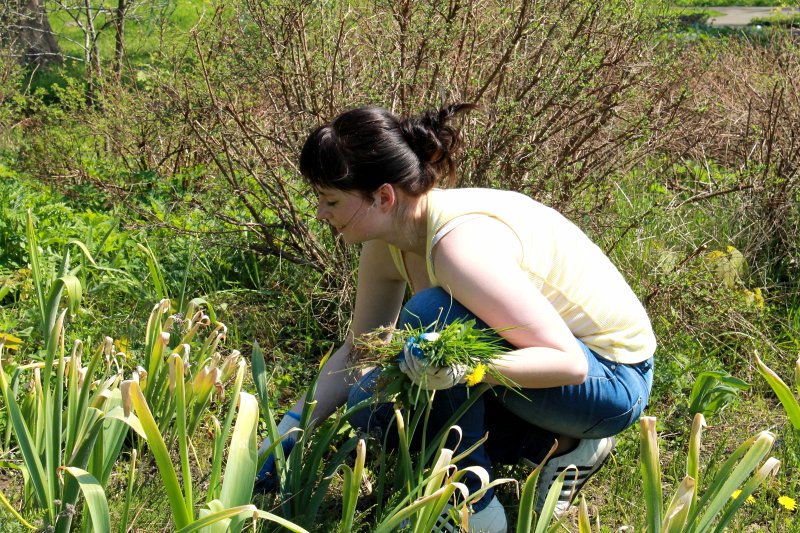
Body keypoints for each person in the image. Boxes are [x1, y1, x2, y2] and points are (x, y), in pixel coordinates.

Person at [254, 104, 656, 532]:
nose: (320, 213)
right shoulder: (387, 240)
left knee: (430, 317)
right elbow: (359, 350)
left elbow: (568, 363)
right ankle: (554, 446)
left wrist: (469, 370)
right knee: (368, 404)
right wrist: (285, 434)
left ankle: (472, 507)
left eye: (331, 200)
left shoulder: (459, 248)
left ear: (383, 196)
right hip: (548, 373)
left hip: (610, 378)